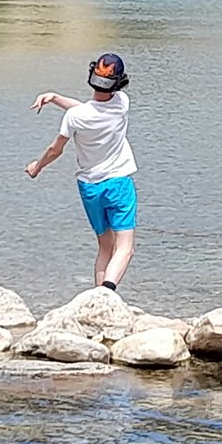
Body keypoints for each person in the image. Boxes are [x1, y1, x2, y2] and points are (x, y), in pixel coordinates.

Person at [26, 53, 138, 292]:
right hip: (118, 183)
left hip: (89, 188)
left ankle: (98, 298)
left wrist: (37, 166)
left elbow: (55, 149)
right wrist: (56, 99)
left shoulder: (75, 118)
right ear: (119, 82)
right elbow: (94, 109)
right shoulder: (122, 102)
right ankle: (107, 293)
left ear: (91, 76)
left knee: (105, 247)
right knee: (125, 247)